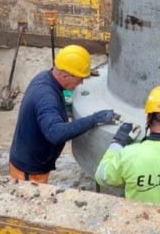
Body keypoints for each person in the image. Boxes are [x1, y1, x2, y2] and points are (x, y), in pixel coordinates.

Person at [9, 44, 120, 183]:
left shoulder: (45, 78)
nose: (82, 82)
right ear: (65, 75)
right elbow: (56, 133)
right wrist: (95, 119)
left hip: (34, 161)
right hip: (30, 172)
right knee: (31, 202)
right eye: (80, 78)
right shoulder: (46, 98)